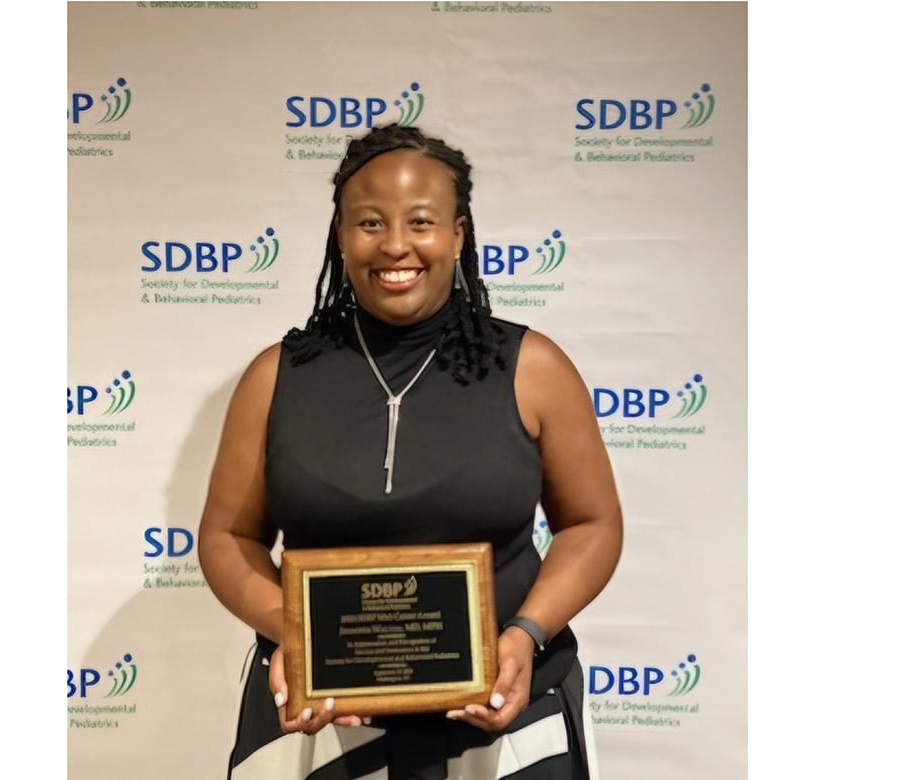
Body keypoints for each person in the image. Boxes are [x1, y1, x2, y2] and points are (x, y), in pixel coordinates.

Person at [198, 123, 624, 780]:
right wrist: (293, 633)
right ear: (340, 235)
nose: (396, 245)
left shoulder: (532, 367)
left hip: (504, 716)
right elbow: (228, 537)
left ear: (457, 234)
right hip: (324, 726)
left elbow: (593, 525)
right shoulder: (276, 377)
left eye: (420, 222)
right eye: (370, 223)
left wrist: (527, 633)